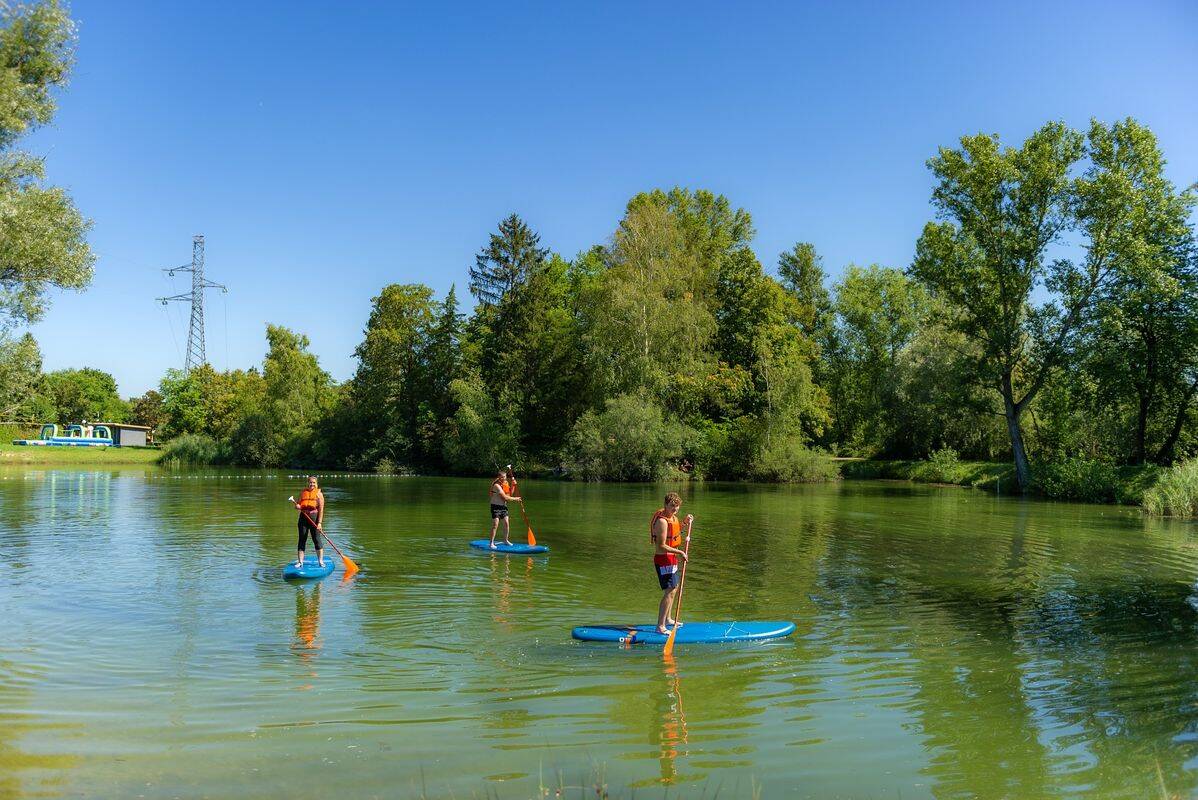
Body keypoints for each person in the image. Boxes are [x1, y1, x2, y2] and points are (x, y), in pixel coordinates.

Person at [651, 492, 693, 634]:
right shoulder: (662, 521)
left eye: (677, 506)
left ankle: (668, 619)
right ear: (665, 505)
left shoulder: (672, 518)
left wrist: (685, 523)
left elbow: (674, 533)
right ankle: (660, 626)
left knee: (673, 589)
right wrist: (680, 552)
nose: (675, 509)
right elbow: (661, 546)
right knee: (669, 592)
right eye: (672, 506)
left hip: (671, 558)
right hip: (663, 560)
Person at [293, 476, 325, 568]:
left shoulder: (319, 495)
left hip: (314, 518)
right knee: (302, 539)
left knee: (316, 539)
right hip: (303, 518)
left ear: (316, 484)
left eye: (314, 483)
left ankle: (320, 561)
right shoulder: (303, 493)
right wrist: (297, 507)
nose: (312, 484)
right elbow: (298, 504)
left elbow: (321, 510)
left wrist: (319, 523)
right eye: (310, 482)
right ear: (308, 483)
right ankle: (300, 562)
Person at [488, 468, 522, 548]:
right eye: (502, 477)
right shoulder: (496, 485)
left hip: (503, 507)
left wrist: (513, 485)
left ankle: (505, 540)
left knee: (506, 523)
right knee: (495, 524)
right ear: (499, 477)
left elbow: (509, 494)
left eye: (505, 477)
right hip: (495, 506)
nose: (503, 478)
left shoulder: (506, 483)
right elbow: (505, 498)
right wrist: (516, 499)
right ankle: (491, 543)